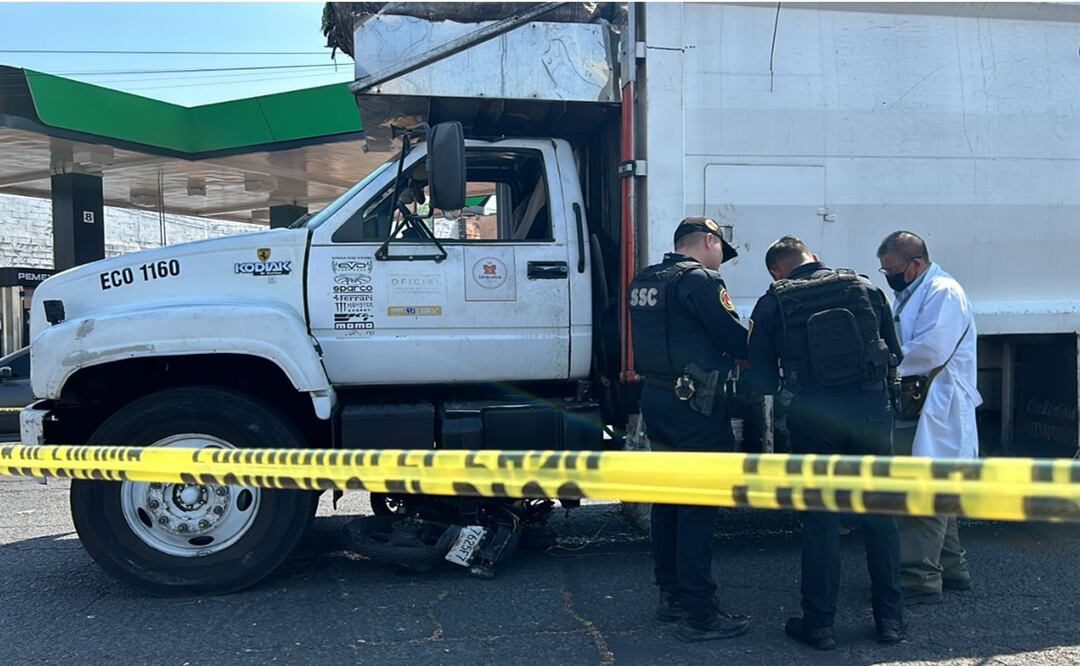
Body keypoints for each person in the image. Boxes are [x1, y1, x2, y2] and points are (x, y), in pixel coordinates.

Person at [746, 236, 906, 649]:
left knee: (822, 519)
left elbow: (761, 382)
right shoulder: (865, 286)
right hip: (872, 410)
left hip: (814, 416)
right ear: (814, 257)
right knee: (880, 513)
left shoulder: (773, 302)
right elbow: (896, 353)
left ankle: (819, 624)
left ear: (776, 271)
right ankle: (890, 620)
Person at [628, 216, 751, 642]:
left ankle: (672, 595)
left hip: (657, 399)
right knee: (699, 504)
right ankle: (701, 613)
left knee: (668, 499)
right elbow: (736, 340)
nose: (721, 262)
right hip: (695, 403)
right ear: (709, 241)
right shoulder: (700, 281)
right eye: (721, 252)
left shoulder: (645, 279)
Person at [877, 231, 980, 605]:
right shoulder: (914, 291)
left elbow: (931, 348)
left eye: (891, 269)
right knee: (939, 487)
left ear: (914, 264)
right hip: (927, 404)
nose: (886, 275)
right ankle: (952, 569)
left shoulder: (943, 292)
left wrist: (884, 364)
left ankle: (919, 579)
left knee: (923, 491)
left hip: (939, 405)